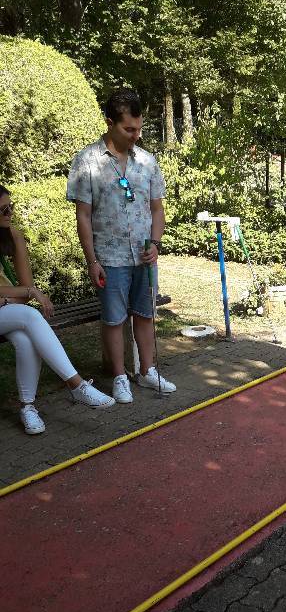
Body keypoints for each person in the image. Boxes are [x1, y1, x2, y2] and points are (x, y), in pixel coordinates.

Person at [67, 88, 176, 404]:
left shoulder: (147, 162)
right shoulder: (87, 161)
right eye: (129, 129)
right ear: (109, 122)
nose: (136, 135)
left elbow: (157, 210)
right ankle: (119, 377)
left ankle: (147, 370)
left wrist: (155, 244)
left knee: (145, 314)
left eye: (139, 128)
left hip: (144, 257)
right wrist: (92, 261)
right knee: (114, 319)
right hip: (109, 257)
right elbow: (83, 217)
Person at [0, 184, 115, 434]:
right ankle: (77, 386)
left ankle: (28, 407)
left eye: (11, 207)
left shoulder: (11, 234)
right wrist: (29, 294)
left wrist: (21, 293)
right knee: (30, 315)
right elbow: (29, 291)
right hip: (12, 308)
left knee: (25, 340)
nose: (9, 213)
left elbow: (25, 285)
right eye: (3, 210)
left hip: (7, 308)